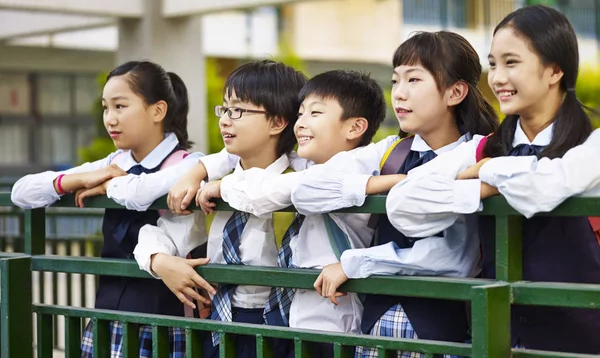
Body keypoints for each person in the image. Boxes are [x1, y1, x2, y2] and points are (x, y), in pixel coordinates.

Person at [387, 6, 600, 354]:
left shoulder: (592, 145)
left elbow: (544, 188)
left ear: (554, 70)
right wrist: (480, 190)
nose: (497, 77)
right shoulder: (485, 146)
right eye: (493, 63)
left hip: (581, 343)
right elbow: (402, 202)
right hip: (500, 341)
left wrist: (487, 171)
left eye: (511, 62)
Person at [291, 32, 498, 358]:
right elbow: (303, 190)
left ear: (455, 92)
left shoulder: (476, 155)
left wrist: (357, 263)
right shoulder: (391, 152)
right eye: (396, 80)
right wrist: (382, 183)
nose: (399, 93)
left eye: (413, 80)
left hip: (441, 332)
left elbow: (455, 259)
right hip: (375, 328)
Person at [11, 60, 201, 358]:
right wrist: (77, 179)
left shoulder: (189, 165)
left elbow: (141, 192)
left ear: (158, 110)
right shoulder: (114, 162)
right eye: (105, 108)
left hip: (164, 319)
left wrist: (108, 185)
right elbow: (21, 192)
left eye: (120, 106)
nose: (110, 119)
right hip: (107, 314)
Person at [196, 69, 387, 358]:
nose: (301, 123)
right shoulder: (308, 169)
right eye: (300, 113)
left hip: (328, 323)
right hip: (293, 318)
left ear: (354, 127)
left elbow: (271, 191)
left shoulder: (347, 165)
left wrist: (222, 185)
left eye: (315, 113)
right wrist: (201, 170)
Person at [133, 60, 308, 358]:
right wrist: (159, 260)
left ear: (278, 122)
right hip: (218, 320)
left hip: (285, 324)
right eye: (224, 109)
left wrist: (215, 180)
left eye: (238, 110)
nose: (225, 120)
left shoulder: (300, 179)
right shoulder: (209, 184)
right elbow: (161, 233)